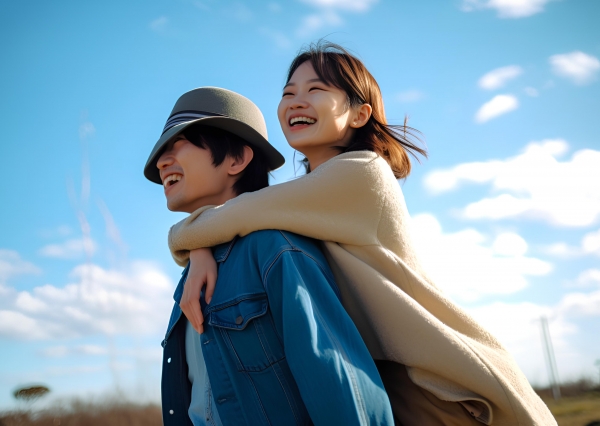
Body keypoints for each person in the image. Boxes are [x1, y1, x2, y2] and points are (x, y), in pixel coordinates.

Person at [165, 42, 557, 425]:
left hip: (450, 395)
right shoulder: (303, 200)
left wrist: (189, 239)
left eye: (316, 90)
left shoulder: (362, 172)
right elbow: (236, 220)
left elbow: (239, 213)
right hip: (403, 389)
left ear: (358, 114)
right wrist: (202, 249)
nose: (296, 101)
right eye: (288, 92)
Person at [144, 86, 395, 425]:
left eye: (181, 143)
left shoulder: (275, 248)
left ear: (237, 159)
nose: (162, 161)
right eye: (162, 150)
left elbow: (340, 383)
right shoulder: (192, 269)